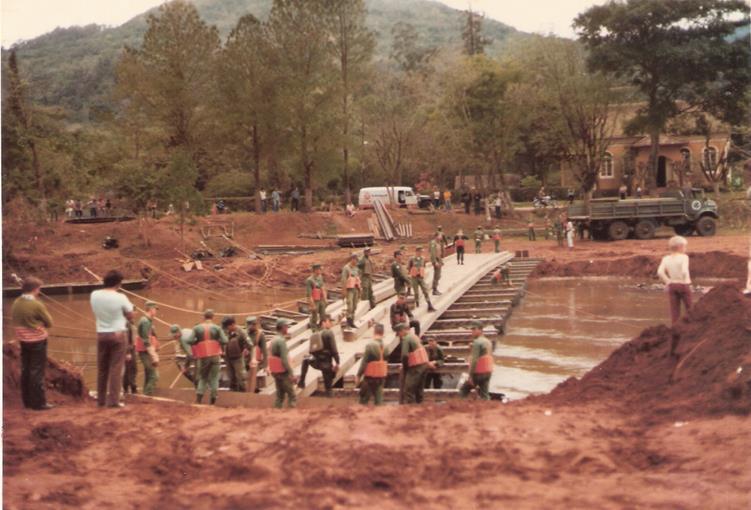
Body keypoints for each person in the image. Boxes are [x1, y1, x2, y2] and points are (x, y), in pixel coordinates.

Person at [90, 270, 134, 408]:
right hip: (118, 334)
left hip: (101, 334)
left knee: (102, 368)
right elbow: (130, 316)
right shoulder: (121, 297)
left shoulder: (94, 294)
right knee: (116, 368)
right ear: (118, 283)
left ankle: (101, 400)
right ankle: (114, 401)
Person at [11, 276, 54, 410]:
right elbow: (49, 323)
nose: (39, 291)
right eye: (39, 289)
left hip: (23, 340)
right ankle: (39, 403)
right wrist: (39, 324)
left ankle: (27, 401)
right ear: (35, 289)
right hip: (37, 341)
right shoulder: (36, 304)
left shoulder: (16, 302)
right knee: (37, 371)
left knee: (26, 369)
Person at [657, 236, 692, 356]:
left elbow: (660, 272)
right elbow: (684, 270)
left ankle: (675, 337)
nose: (685, 249)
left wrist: (668, 281)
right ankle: (690, 331)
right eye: (685, 246)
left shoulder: (666, 258)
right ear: (680, 247)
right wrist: (686, 281)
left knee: (674, 312)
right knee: (690, 308)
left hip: (672, 285)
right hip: (683, 285)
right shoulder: (684, 257)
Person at [188, 310, 228, 405]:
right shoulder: (217, 328)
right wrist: (216, 341)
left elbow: (189, 340)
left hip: (203, 355)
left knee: (203, 377)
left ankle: (198, 400)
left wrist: (198, 342)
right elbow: (225, 340)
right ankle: (213, 401)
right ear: (213, 317)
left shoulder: (196, 328)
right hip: (215, 355)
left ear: (203, 317)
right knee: (214, 378)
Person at [298, 315, 339, 396]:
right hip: (327, 365)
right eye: (329, 322)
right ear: (323, 323)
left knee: (305, 358)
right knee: (329, 390)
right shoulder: (329, 333)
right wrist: (337, 362)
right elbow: (334, 350)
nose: (331, 323)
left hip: (316, 362)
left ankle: (301, 381)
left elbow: (311, 351)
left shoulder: (315, 334)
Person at [398, 323, 433, 404]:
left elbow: (404, 355)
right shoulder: (415, 337)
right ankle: (420, 411)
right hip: (424, 365)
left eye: (399, 332)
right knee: (419, 390)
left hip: (416, 366)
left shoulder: (406, 338)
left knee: (408, 390)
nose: (399, 335)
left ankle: (410, 412)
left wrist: (405, 367)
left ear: (402, 331)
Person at [459, 320, 494, 400]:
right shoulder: (488, 341)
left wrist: (470, 376)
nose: (472, 331)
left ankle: (459, 409)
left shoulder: (477, 342)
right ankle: (488, 409)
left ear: (480, 330)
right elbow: (485, 354)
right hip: (488, 371)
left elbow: (474, 360)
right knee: (484, 394)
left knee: (463, 390)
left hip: (478, 373)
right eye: (472, 329)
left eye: (474, 329)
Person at [356, 323, 388, 406]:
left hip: (370, 378)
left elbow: (364, 362)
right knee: (379, 400)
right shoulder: (386, 347)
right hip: (381, 377)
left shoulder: (370, 346)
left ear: (374, 332)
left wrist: (358, 375)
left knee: (363, 400)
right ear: (383, 333)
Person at [268, 319, 297, 409]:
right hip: (283, 373)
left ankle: (276, 415)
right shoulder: (281, 341)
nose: (287, 328)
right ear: (283, 327)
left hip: (276, 372)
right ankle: (291, 416)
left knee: (279, 396)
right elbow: (284, 360)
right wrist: (291, 374)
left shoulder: (274, 339)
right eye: (286, 326)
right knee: (292, 396)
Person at [135, 301, 160, 396]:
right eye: (155, 309)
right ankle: (147, 395)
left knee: (148, 374)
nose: (156, 312)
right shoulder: (145, 321)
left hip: (145, 351)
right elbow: (145, 339)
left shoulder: (148, 320)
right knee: (154, 375)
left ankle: (145, 395)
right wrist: (154, 355)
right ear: (151, 309)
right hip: (145, 351)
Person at [222, 316, 251, 392]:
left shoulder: (241, 332)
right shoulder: (225, 331)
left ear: (232, 324)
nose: (226, 328)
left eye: (227, 326)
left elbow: (250, 343)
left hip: (238, 358)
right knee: (231, 377)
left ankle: (244, 394)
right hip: (228, 358)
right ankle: (233, 393)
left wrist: (246, 349)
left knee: (241, 377)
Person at [408, 246, 436, 311]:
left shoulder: (422, 259)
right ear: (417, 251)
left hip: (421, 277)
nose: (421, 253)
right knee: (416, 292)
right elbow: (409, 267)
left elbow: (423, 266)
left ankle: (429, 304)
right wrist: (412, 273)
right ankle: (417, 303)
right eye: (420, 251)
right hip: (414, 277)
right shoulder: (412, 259)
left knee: (425, 290)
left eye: (421, 252)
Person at [341, 253, 362, 328]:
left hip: (355, 289)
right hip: (349, 290)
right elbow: (343, 280)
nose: (356, 262)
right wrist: (344, 292)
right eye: (355, 260)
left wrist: (360, 290)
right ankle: (348, 322)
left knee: (354, 306)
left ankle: (352, 321)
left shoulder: (356, 268)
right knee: (350, 306)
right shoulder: (346, 268)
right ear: (352, 259)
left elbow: (357, 278)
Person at [305, 264, 327, 331]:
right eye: (319, 269)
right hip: (314, 300)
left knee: (323, 314)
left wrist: (325, 299)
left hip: (321, 299)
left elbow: (323, 288)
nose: (320, 271)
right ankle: (314, 328)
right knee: (314, 314)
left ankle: (321, 325)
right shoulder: (309, 280)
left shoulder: (320, 277)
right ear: (315, 270)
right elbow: (309, 294)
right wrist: (312, 304)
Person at [122, 325, 138, 394]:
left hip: (128, 350)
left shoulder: (129, 325)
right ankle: (133, 388)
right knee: (132, 369)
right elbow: (127, 340)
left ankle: (126, 389)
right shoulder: (127, 325)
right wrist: (128, 352)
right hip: (129, 350)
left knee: (127, 370)